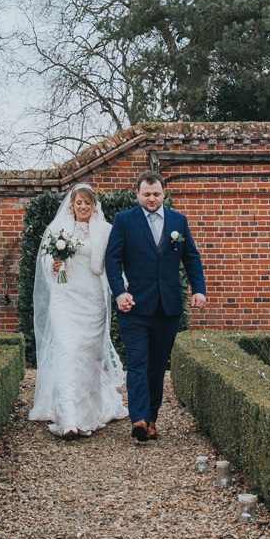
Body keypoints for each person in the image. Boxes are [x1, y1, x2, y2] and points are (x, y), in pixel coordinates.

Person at [105, 171, 207, 442]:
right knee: (138, 361)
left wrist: (198, 289)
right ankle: (138, 418)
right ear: (136, 193)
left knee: (158, 365)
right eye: (146, 194)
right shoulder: (124, 220)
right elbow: (112, 261)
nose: (152, 198)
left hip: (168, 307)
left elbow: (192, 258)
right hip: (134, 307)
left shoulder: (178, 221)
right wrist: (118, 293)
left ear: (164, 194)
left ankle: (151, 418)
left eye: (156, 194)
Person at [28, 183, 128, 438]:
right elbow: (45, 260)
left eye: (87, 202)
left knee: (89, 357)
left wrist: (124, 288)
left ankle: (87, 414)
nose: (83, 207)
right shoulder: (59, 228)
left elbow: (114, 263)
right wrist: (54, 262)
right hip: (65, 298)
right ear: (72, 204)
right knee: (67, 352)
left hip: (92, 300)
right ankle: (69, 418)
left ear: (94, 205)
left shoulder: (106, 230)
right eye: (78, 202)